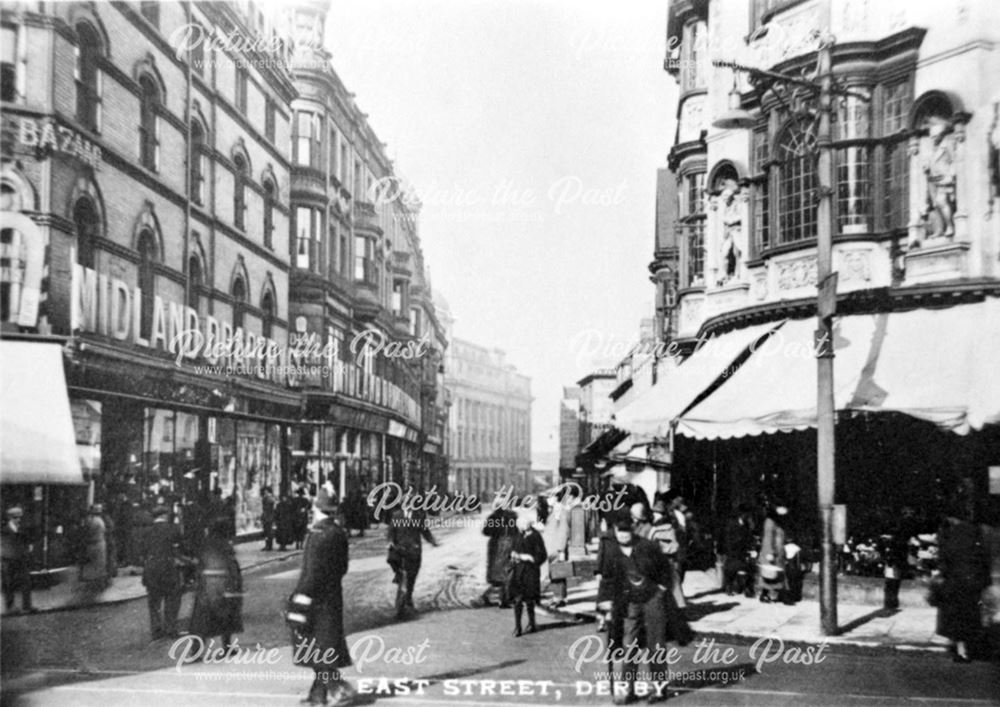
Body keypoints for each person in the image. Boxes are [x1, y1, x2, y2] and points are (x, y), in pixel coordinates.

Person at [596, 518, 675, 705]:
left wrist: (661, 590)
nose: (623, 535)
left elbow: (666, 569)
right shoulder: (613, 550)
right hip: (630, 603)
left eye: (626, 531)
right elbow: (607, 579)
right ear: (615, 530)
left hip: (652, 601)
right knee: (629, 645)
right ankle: (628, 691)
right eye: (619, 531)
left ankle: (659, 690)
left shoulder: (647, 546)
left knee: (656, 645)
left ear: (633, 530)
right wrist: (603, 603)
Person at [291, 485, 355, 706]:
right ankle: (317, 696)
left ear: (317, 508)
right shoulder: (339, 533)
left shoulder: (317, 535)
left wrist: (299, 598)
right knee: (322, 648)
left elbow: (310, 574)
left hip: (315, 601)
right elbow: (343, 567)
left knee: (314, 648)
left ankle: (338, 688)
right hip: (332, 598)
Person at [937, 503, 991, 662]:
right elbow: (982, 557)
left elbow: (947, 558)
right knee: (971, 615)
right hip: (973, 582)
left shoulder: (952, 534)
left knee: (957, 617)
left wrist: (943, 575)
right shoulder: (975, 531)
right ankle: (968, 647)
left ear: (952, 518)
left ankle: (961, 651)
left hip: (957, 582)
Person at [189, 518, 243, 655]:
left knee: (201, 620)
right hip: (224, 585)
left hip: (207, 586)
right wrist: (236, 584)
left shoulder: (206, 544)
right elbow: (231, 567)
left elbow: (201, 565)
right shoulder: (225, 546)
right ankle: (227, 646)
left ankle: (196, 650)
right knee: (226, 617)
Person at [139, 505, 184, 640]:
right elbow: (179, 549)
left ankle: (156, 630)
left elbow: (141, 553)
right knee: (172, 597)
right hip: (168, 567)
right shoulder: (173, 529)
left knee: (154, 601)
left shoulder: (146, 531)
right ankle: (170, 628)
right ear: (165, 515)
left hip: (151, 568)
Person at [387, 503, 438, 619]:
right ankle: (402, 598)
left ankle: (408, 598)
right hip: (400, 550)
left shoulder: (419, 516)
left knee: (412, 576)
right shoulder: (396, 515)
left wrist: (432, 541)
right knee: (400, 572)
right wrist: (390, 541)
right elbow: (391, 531)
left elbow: (425, 531)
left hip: (414, 551)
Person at [509, 516, 547, 636]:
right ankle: (518, 627)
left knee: (530, 599)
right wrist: (513, 555)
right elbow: (513, 549)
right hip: (518, 571)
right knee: (518, 599)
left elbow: (542, 555)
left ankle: (531, 623)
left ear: (530, 524)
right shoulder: (519, 535)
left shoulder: (536, 537)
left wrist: (529, 558)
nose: (521, 527)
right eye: (520, 524)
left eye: (523, 524)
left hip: (531, 572)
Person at [482, 503, 518, 608]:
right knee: (507, 571)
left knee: (497, 573)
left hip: (496, 546)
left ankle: (495, 596)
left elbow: (486, 531)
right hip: (510, 544)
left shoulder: (493, 518)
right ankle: (504, 598)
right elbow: (516, 532)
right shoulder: (512, 517)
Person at [1, 506, 35, 613]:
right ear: (10, 518)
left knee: (26, 582)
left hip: (21, 559)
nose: (18, 520)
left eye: (19, 517)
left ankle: (27, 606)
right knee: (8, 583)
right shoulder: (3, 531)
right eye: (16, 517)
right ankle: (10, 607)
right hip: (8, 559)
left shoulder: (22, 530)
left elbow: (28, 543)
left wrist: (27, 550)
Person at [758, 503, 788, 603]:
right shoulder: (770, 522)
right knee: (771, 575)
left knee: (775, 575)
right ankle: (767, 594)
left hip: (777, 552)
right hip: (772, 553)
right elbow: (768, 538)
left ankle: (770, 594)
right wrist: (770, 552)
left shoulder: (776, 522)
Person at [721, 504, 754, 596]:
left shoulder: (746, 524)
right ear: (742, 514)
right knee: (731, 569)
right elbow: (727, 537)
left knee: (745, 567)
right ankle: (729, 587)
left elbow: (748, 536)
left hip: (742, 550)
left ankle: (746, 589)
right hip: (732, 549)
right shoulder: (731, 523)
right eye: (746, 514)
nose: (747, 516)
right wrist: (729, 549)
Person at [79, 504, 109, 588]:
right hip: (100, 542)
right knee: (100, 564)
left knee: (94, 564)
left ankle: (95, 582)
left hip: (93, 543)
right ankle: (100, 582)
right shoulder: (100, 521)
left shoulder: (92, 521)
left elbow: (87, 531)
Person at [260, 487, 276, 551]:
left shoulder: (269, 499)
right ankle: (268, 545)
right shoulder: (267, 498)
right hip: (267, 517)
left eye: (266, 491)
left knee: (268, 532)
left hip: (268, 518)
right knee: (267, 532)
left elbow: (268, 508)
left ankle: (269, 546)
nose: (265, 493)